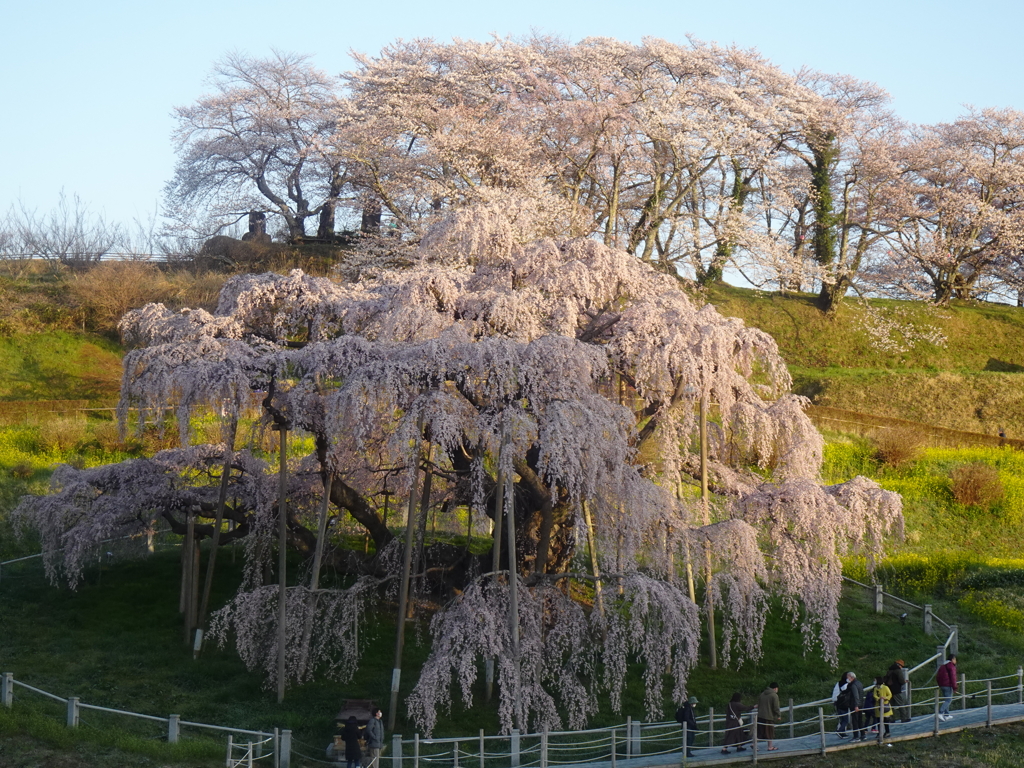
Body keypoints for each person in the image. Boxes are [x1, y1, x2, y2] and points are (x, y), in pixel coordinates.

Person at [756, 682, 781, 752]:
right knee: (770, 732)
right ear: (775, 688)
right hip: (769, 717)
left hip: (760, 716)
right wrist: (778, 715)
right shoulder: (774, 695)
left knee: (760, 732)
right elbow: (776, 707)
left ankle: (754, 744)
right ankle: (770, 747)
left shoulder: (762, 694)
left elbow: (759, 704)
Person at [871, 675, 893, 741]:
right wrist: (878, 699)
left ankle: (887, 732)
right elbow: (874, 695)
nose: (874, 681)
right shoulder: (875, 688)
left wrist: (885, 698)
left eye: (875, 680)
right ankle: (880, 732)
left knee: (886, 720)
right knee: (878, 720)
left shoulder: (885, 687)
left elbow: (890, 694)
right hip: (878, 706)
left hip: (885, 706)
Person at [937, 655, 958, 721]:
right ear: (952, 659)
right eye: (955, 659)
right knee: (948, 700)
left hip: (942, 685)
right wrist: (955, 687)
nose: (955, 661)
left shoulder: (942, 666)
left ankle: (947, 714)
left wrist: (940, 684)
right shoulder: (951, 666)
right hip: (948, 685)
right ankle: (940, 712)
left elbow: (937, 676)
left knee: (946, 699)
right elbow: (953, 677)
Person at [846, 672, 866, 742]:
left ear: (851, 677)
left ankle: (856, 737)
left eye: (847, 677)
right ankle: (863, 735)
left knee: (855, 721)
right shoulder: (859, 683)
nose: (847, 679)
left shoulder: (853, 685)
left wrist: (856, 705)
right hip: (861, 704)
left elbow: (856, 696)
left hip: (855, 705)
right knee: (860, 720)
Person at [832, 672, 851, 737]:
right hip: (844, 704)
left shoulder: (838, 683)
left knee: (842, 718)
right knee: (846, 719)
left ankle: (842, 732)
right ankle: (840, 730)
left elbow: (835, 693)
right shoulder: (847, 685)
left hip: (838, 703)